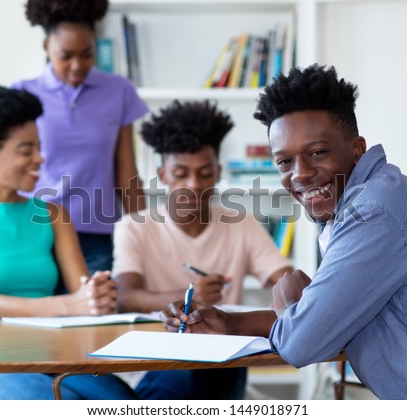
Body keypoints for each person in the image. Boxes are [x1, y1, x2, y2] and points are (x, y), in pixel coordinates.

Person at [161, 64, 407, 399]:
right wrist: (230, 323)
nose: (301, 174)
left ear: (356, 149)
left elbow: (301, 343)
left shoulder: (373, 210)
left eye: (318, 152)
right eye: (284, 162)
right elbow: (327, 315)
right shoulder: (361, 201)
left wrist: (297, 304)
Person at [0, 86, 134, 400]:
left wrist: (98, 295)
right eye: (26, 150)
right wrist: (69, 304)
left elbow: (84, 295)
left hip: (53, 356)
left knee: (124, 404)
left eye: (39, 147)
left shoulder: (53, 215)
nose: (40, 159)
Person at [112, 100, 293, 399]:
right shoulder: (134, 226)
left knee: (226, 363)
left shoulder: (241, 223)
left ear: (219, 171)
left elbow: (283, 280)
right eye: (181, 173)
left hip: (221, 363)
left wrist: (295, 290)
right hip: (155, 365)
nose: (194, 184)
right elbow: (124, 296)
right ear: (163, 173)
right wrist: (186, 297)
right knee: (184, 376)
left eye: (205, 173)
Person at [12, 0, 149, 280]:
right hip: (35, 232)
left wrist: (145, 234)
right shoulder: (22, 94)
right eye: (66, 55)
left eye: (87, 54)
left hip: (96, 236)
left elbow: (126, 173)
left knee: (95, 317)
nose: (77, 65)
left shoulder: (119, 90)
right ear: (46, 47)